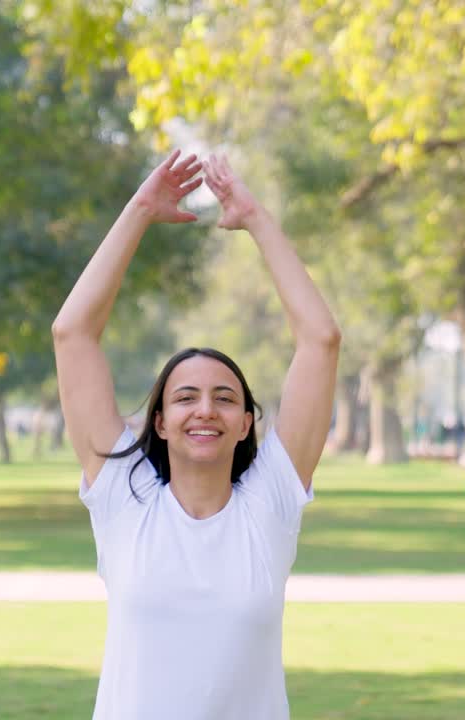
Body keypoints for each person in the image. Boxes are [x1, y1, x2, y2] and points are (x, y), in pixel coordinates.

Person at [52, 151, 340, 720]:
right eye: (184, 397)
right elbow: (72, 334)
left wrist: (255, 218)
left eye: (225, 397)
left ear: (245, 423)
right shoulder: (122, 498)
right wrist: (138, 210)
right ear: (159, 420)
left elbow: (321, 340)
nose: (204, 410)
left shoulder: (271, 501)